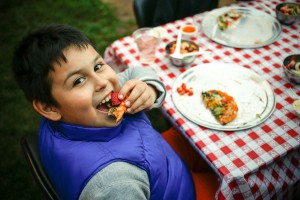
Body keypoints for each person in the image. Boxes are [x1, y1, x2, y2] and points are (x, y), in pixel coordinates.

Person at [12, 24, 217, 200]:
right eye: (78, 81)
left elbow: (133, 73)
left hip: (158, 159)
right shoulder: (114, 184)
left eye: (99, 66)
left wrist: (148, 87)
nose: (103, 83)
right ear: (48, 108)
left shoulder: (66, 113)